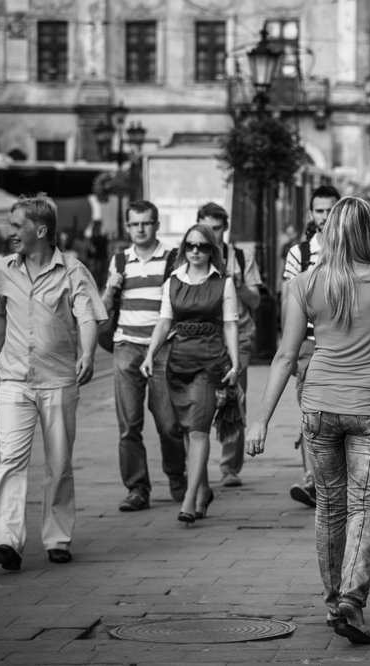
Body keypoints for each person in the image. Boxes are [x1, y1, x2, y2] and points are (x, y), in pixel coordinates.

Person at [246, 197, 370, 644]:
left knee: (329, 506)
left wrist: (259, 421)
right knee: (364, 505)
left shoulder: (304, 282)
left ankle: (334, 599)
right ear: (368, 232)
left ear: (329, 231)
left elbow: (286, 355)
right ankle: (352, 599)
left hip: (318, 406)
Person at [0, 195, 106, 571]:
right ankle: (5, 539)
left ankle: (57, 538)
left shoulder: (72, 270)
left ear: (41, 230)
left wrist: (87, 354)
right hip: (15, 378)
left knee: (59, 462)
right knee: (11, 459)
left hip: (57, 380)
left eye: (16, 225)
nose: (10, 232)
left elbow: (87, 317)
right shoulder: (3, 269)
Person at [141, 224, 239, 524]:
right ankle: (203, 488)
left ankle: (189, 500)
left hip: (209, 364)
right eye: (191, 245)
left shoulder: (224, 283)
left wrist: (235, 364)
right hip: (177, 363)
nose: (196, 251)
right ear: (184, 248)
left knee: (197, 430)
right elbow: (164, 321)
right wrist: (149, 354)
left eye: (203, 246)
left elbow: (230, 325)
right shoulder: (173, 281)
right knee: (182, 429)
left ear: (212, 250)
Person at [103, 201, 186, 512]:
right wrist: (111, 290)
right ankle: (137, 488)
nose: (140, 229)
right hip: (126, 346)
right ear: (127, 227)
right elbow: (103, 308)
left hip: (163, 347)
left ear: (156, 225)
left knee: (168, 423)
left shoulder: (173, 257)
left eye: (146, 223)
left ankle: (177, 476)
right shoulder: (119, 260)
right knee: (129, 425)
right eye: (135, 224)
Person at [282, 184, 340, 507]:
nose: (325, 216)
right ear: (311, 214)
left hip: (343, 343)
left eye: (331, 209)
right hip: (307, 343)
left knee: (337, 411)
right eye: (320, 210)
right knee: (309, 411)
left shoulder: (355, 249)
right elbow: (286, 300)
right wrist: (286, 351)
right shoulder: (299, 254)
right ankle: (313, 480)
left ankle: (330, 478)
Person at [197, 202, 262, 488]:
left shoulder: (240, 256)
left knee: (233, 399)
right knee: (200, 402)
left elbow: (256, 300)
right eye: (208, 229)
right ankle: (196, 465)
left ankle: (229, 468)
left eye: (218, 229)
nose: (213, 235)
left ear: (226, 228)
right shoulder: (192, 254)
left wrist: (237, 285)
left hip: (240, 337)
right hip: (203, 339)